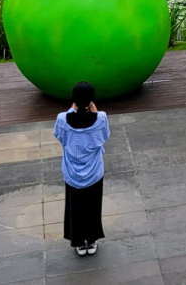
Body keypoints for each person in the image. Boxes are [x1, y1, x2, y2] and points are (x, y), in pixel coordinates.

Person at [53, 81, 110, 256]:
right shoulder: (101, 118)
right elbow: (104, 136)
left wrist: (72, 109)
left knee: (74, 207)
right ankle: (92, 240)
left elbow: (60, 137)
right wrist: (94, 111)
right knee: (93, 206)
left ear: (74, 99)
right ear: (92, 99)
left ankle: (78, 241)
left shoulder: (63, 119)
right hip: (94, 173)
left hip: (72, 173)